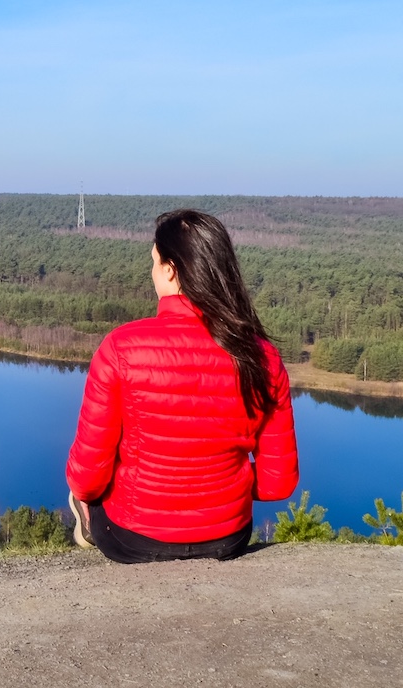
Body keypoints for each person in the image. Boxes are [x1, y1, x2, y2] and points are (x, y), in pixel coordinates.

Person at [65, 209, 299, 563]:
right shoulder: (263, 357)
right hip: (228, 538)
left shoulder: (120, 348)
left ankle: (86, 525)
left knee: (83, 489)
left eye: (155, 262)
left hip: (132, 539)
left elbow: (87, 477)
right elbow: (277, 482)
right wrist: (218, 488)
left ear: (171, 270)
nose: (152, 271)